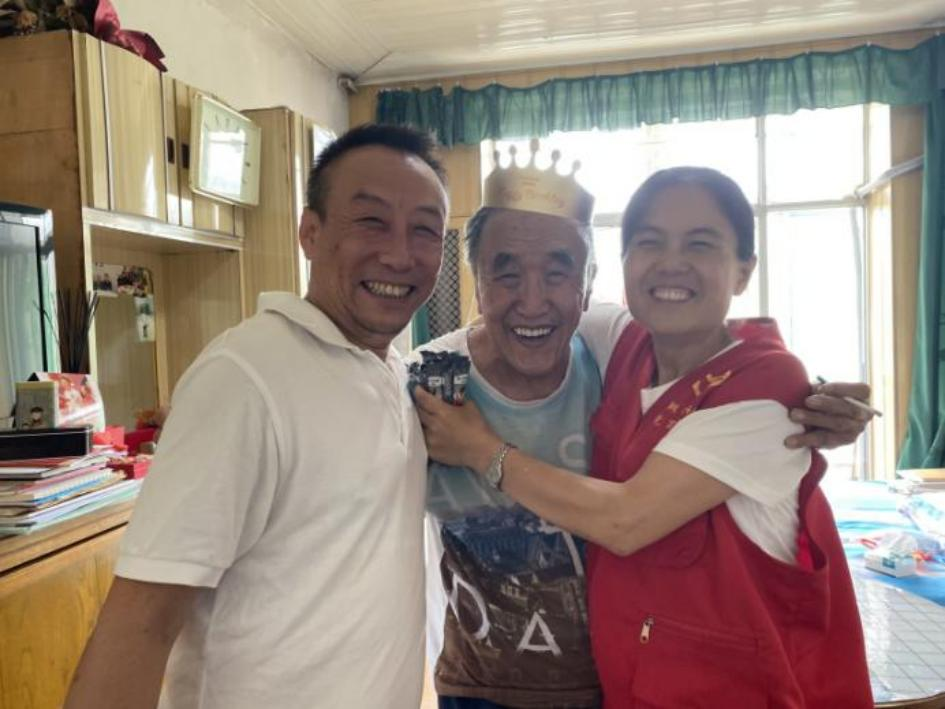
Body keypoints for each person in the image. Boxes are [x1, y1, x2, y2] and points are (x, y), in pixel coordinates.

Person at [418, 157, 873, 708]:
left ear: (743, 270)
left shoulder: (760, 386)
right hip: (596, 685)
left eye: (700, 244)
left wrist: (479, 448)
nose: (671, 265)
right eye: (651, 243)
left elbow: (625, 520)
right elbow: (529, 314)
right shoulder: (624, 346)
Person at [65, 124, 450, 709]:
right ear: (310, 232)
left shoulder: (398, 374)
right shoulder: (244, 377)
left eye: (424, 230)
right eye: (371, 221)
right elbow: (141, 621)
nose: (399, 253)